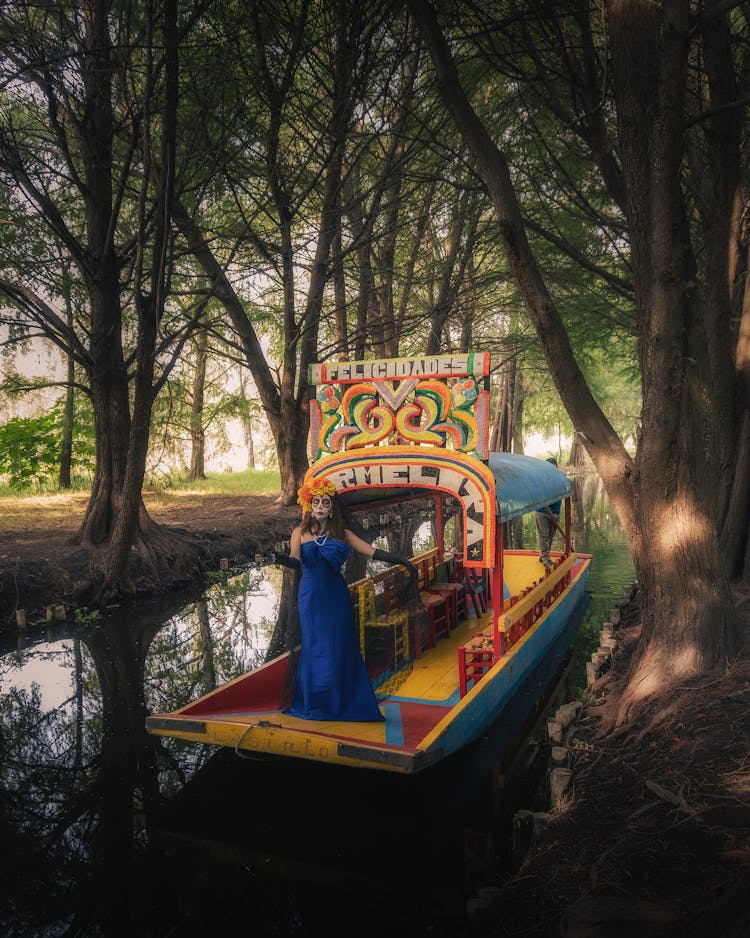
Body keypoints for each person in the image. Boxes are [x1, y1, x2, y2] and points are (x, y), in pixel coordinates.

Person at [274, 477, 416, 722]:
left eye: (325, 502)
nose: (320, 506)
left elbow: (372, 552)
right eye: (315, 501)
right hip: (310, 597)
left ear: (332, 507)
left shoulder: (343, 533)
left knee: (338, 646)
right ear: (308, 505)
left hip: (335, 597)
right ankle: (318, 703)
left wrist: (401, 560)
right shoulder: (299, 532)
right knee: (315, 647)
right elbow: (295, 560)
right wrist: (284, 560)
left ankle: (343, 701)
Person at [535, 457, 561, 569]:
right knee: (544, 536)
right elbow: (538, 496)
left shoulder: (559, 480)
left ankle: (543, 555)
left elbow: (560, 498)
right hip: (542, 511)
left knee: (550, 536)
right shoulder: (541, 480)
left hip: (554, 513)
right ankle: (546, 559)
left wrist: (556, 514)